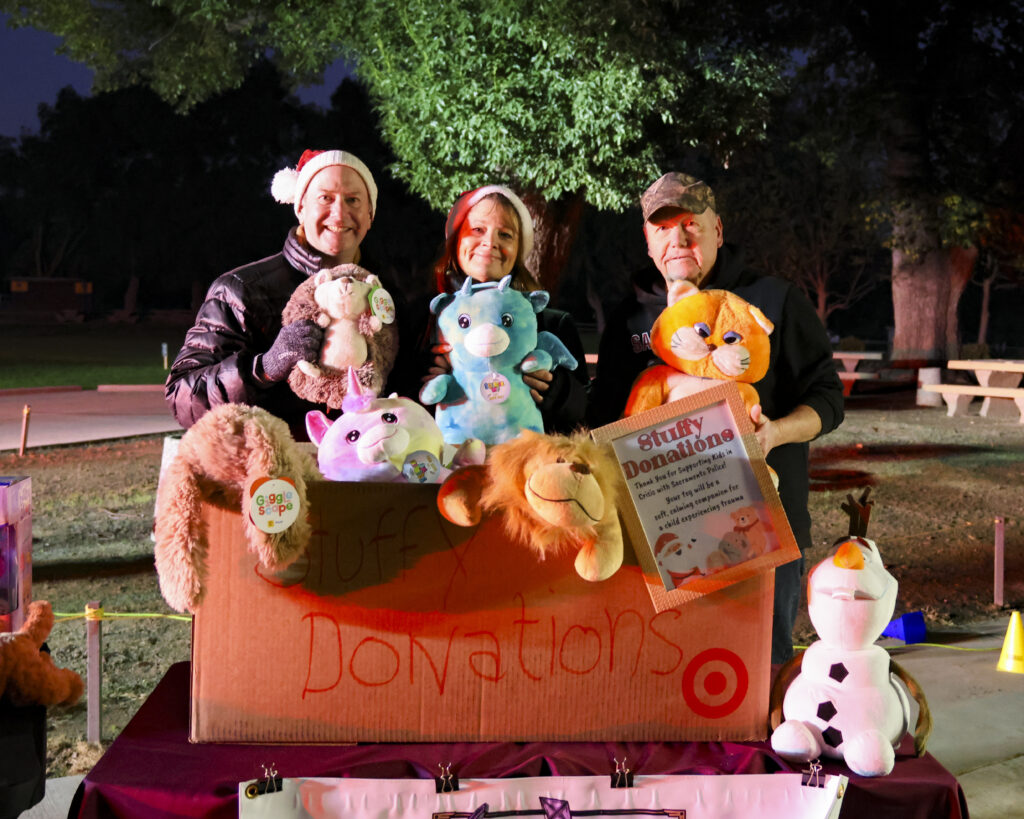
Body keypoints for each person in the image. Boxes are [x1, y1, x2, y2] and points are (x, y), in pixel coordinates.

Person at [588, 172, 845, 664]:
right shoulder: (627, 320)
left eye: (691, 224)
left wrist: (774, 434)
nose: (677, 239)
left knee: (759, 673)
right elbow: (604, 418)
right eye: (662, 229)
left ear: (718, 231)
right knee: (670, 675)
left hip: (761, 527)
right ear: (647, 241)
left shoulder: (772, 301)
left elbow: (828, 396)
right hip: (664, 534)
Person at [166, 148, 407, 440]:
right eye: (325, 198)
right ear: (301, 207)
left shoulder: (390, 295)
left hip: (365, 472)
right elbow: (183, 399)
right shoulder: (241, 290)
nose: (340, 213)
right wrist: (263, 368)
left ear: (370, 215)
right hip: (273, 474)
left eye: (353, 199)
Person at [425, 185, 588, 434]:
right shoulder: (426, 321)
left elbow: (586, 412)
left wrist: (555, 388)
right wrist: (429, 384)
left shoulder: (551, 324)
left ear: (518, 250)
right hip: (449, 464)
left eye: (506, 235)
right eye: (477, 229)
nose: (490, 242)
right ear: (456, 239)